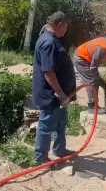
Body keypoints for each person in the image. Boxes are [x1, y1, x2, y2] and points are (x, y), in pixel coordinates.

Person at [32, 11, 76, 165]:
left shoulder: (53, 40)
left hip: (60, 94)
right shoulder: (49, 42)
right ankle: (41, 158)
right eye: (66, 27)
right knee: (46, 125)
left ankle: (60, 149)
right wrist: (60, 93)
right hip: (52, 95)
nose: (66, 31)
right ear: (60, 24)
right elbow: (48, 72)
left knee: (60, 123)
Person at [73, 36, 106, 114]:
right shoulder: (102, 49)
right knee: (91, 81)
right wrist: (101, 82)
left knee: (96, 80)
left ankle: (101, 89)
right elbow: (93, 69)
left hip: (89, 57)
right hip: (81, 58)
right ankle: (92, 107)